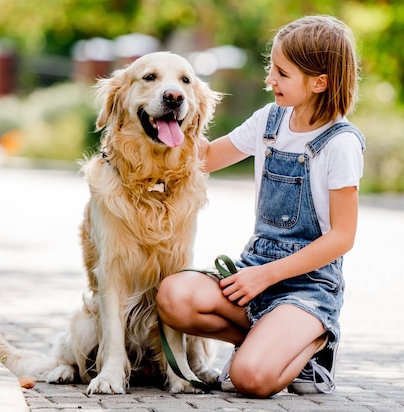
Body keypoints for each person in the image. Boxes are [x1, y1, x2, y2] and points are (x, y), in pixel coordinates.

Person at [156, 14, 365, 398]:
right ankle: (267, 339)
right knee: (173, 297)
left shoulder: (341, 144)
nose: (270, 79)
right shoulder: (270, 119)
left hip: (308, 286)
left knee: (250, 378)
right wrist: (166, 119)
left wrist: (266, 277)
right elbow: (204, 158)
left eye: (282, 73)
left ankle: (316, 348)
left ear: (320, 82)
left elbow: (342, 237)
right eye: (272, 68)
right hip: (256, 267)